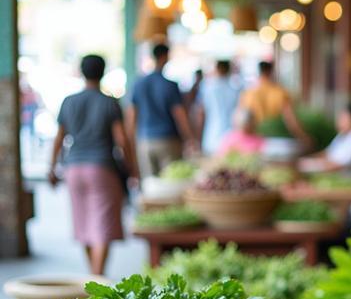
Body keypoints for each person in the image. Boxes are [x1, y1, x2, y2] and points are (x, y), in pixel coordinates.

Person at [48, 54, 138, 276]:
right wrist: (132, 168)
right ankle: (97, 279)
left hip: (73, 170)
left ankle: (93, 277)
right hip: (101, 169)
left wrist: (51, 167)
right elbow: (121, 139)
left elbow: (59, 138)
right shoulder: (109, 102)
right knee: (102, 227)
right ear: (103, 72)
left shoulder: (68, 102)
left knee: (84, 225)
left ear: (81, 71)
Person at [124, 43, 198, 178]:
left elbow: (132, 116)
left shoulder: (138, 84)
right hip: (169, 141)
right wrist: (190, 138)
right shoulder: (170, 85)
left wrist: (131, 143)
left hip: (145, 141)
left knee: (150, 184)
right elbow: (180, 115)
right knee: (171, 182)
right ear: (165, 57)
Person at [238, 60, 312, 147]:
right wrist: (304, 137)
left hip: (255, 141)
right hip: (277, 141)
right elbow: (291, 121)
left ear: (258, 72)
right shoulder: (280, 93)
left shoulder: (248, 94)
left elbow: (240, 121)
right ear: (270, 72)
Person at [298, 105, 351, 178]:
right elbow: (327, 154)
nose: (339, 121)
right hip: (335, 178)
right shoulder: (343, 135)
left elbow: (339, 165)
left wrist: (308, 166)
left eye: (343, 118)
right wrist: (304, 161)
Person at [196, 60, 240, 155]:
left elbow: (201, 114)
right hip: (231, 137)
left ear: (217, 69)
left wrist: (198, 138)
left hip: (211, 136)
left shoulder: (207, 88)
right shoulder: (235, 90)